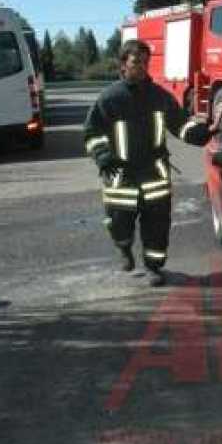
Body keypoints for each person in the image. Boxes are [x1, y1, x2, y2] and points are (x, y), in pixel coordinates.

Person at [83, 39, 214, 286]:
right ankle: (124, 247)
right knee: (119, 221)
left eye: (145, 62)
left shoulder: (160, 97)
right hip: (120, 174)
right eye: (136, 62)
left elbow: (180, 123)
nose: (142, 67)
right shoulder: (109, 99)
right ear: (123, 65)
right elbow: (91, 132)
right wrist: (103, 156)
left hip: (154, 173)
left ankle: (153, 266)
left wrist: (200, 133)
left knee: (157, 223)